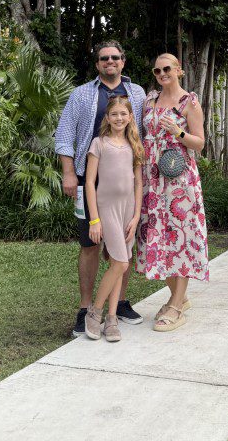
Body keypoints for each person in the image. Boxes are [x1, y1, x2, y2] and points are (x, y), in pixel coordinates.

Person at [55, 41, 146, 336]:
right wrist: (69, 173)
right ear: (97, 64)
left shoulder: (137, 94)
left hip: (124, 183)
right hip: (89, 180)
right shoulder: (82, 95)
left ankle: (117, 304)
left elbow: (144, 132)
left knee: (123, 247)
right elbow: (65, 134)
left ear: (123, 61)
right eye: (104, 58)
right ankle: (85, 309)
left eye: (115, 57)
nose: (110, 62)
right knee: (90, 244)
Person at [136, 53, 209, 332]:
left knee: (181, 236)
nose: (162, 73)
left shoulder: (189, 102)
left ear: (178, 70)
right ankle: (179, 296)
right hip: (152, 179)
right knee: (158, 237)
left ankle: (176, 306)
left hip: (179, 180)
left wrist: (179, 132)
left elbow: (199, 143)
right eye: (157, 70)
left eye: (167, 68)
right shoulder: (149, 101)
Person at [84, 96, 143, 342]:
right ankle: (94, 312)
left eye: (123, 114)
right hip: (107, 208)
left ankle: (112, 319)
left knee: (120, 263)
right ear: (107, 118)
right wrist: (94, 220)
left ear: (130, 117)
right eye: (114, 114)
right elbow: (89, 182)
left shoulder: (134, 145)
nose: (119, 118)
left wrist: (137, 216)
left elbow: (139, 182)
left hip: (128, 209)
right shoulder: (99, 143)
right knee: (120, 263)